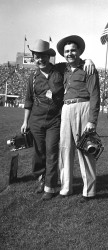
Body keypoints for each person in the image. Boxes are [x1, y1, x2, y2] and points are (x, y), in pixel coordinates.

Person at [21, 39, 95, 200]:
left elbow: (76, 62)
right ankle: (42, 178)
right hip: (36, 120)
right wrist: (25, 121)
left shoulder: (60, 69)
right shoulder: (32, 77)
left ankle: (50, 187)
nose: (40, 60)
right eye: (36, 57)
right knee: (39, 153)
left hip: (55, 119)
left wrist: (89, 60)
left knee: (53, 152)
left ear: (49, 57)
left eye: (43, 56)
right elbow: (28, 101)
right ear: (33, 58)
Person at [56, 35, 100, 201]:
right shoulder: (63, 69)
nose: (70, 53)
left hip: (83, 107)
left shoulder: (88, 68)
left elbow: (95, 95)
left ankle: (89, 191)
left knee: (85, 148)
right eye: (67, 51)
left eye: (73, 50)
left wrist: (92, 120)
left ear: (80, 51)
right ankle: (66, 188)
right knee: (65, 149)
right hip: (66, 109)